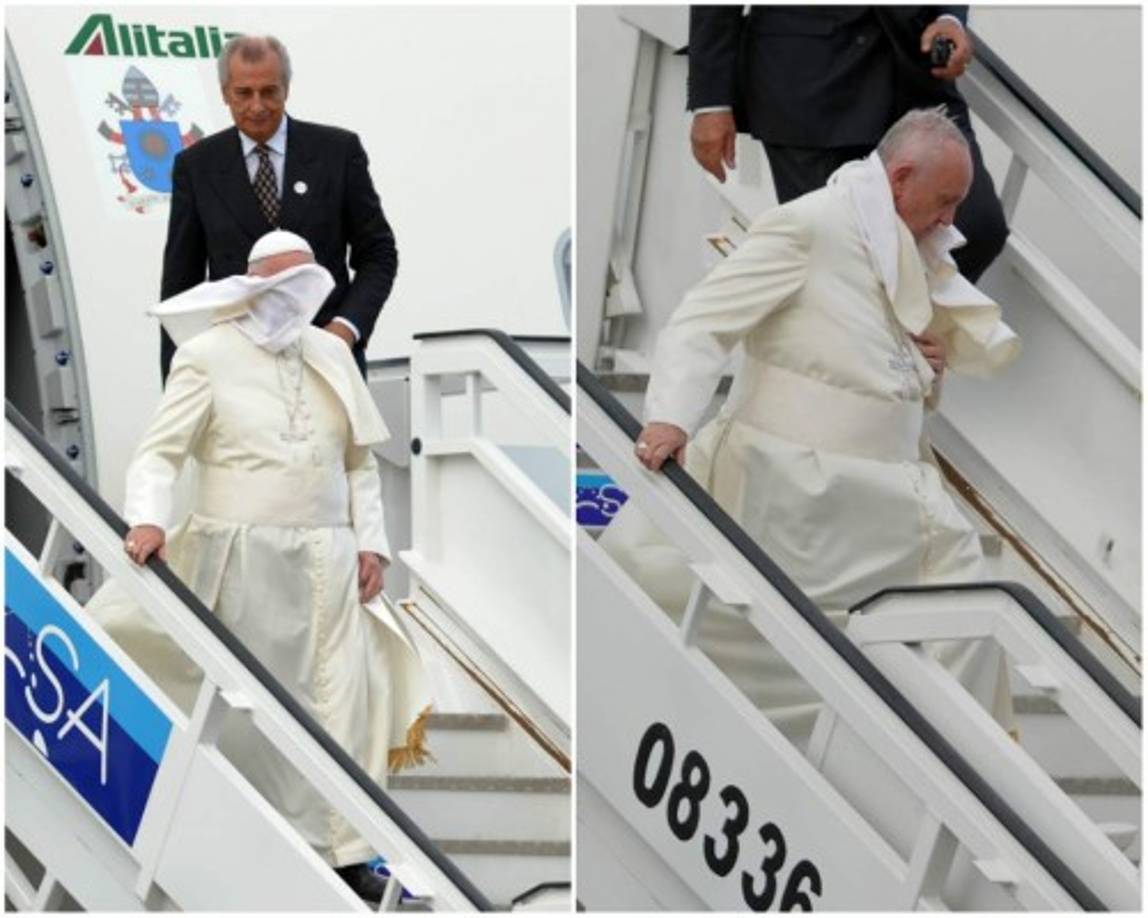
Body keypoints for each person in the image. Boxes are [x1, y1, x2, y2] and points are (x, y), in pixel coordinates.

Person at [602, 108, 1020, 739]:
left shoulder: (911, 243)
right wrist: (670, 419)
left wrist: (927, 366)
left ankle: (971, 787)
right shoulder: (808, 225)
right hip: (800, 495)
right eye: (944, 201)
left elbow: (865, 360)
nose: (951, 220)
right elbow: (700, 321)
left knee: (971, 625)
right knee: (775, 650)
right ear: (900, 177)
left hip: (897, 504)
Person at [89, 230, 428, 904]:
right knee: (254, 710)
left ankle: (346, 855)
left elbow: (359, 464)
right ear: (251, 288)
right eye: (284, 287)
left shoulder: (332, 355)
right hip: (241, 558)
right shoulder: (206, 354)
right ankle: (255, 843)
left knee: (344, 709)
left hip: (331, 562)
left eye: (308, 287)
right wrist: (149, 518)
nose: (296, 301)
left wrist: (373, 545)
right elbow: (160, 454)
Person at [687, 5, 1008, 282]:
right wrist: (711, 102)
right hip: (809, 88)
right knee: (837, 255)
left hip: (916, 73)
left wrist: (950, 16)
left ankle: (906, 336)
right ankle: (890, 343)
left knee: (977, 226)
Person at [160, 34, 397, 382]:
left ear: (287, 89)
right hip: (237, 372)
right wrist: (178, 380)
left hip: (329, 361)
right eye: (244, 93)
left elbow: (378, 253)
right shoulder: (196, 167)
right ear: (225, 93)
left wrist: (345, 330)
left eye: (269, 91)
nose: (257, 105)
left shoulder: (338, 152)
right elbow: (181, 285)